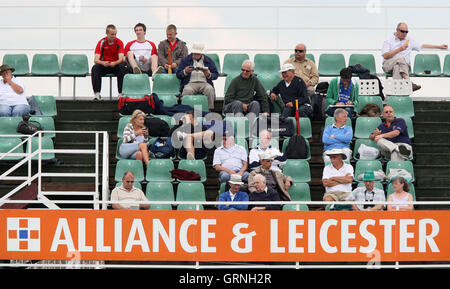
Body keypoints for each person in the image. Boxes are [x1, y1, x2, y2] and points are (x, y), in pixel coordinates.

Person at [382, 22, 448, 91]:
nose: (404, 33)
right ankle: (409, 82)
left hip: (403, 67)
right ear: (397, 30)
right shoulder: (388, 40)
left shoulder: (409, 40)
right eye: (402, 31)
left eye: (406, 32)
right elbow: (385, 56)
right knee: (400, 59)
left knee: (397, 67)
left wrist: (439, 46)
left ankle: (397, 94)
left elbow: (422, 46)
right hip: (388, 65)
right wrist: (400, 49)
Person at [176, 43, 219, 110]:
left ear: (202, 53)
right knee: (187, 91)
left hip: (204, 83)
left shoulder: (208, 60)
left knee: (210, 90)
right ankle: (186, 111)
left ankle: (209, 110)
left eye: (198, 53)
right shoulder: (185, 60)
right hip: (190, 83)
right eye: (195, 53)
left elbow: (216, 74)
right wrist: (185, 71)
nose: (197, 54)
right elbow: (178, 74)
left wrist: (208, 74)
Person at [91, 24, 127, 100]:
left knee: (122, 67)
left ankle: (121, 93)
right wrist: (103, 63)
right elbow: (96, 60)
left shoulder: (119, 42)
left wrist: (115, 63)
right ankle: (97, 94)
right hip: (105, 65)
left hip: (115, 65)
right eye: (112, 34)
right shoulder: (101, 42)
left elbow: (121, 58)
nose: (114, 36)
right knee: (95, 68)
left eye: (115, 34)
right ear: (107, 33)